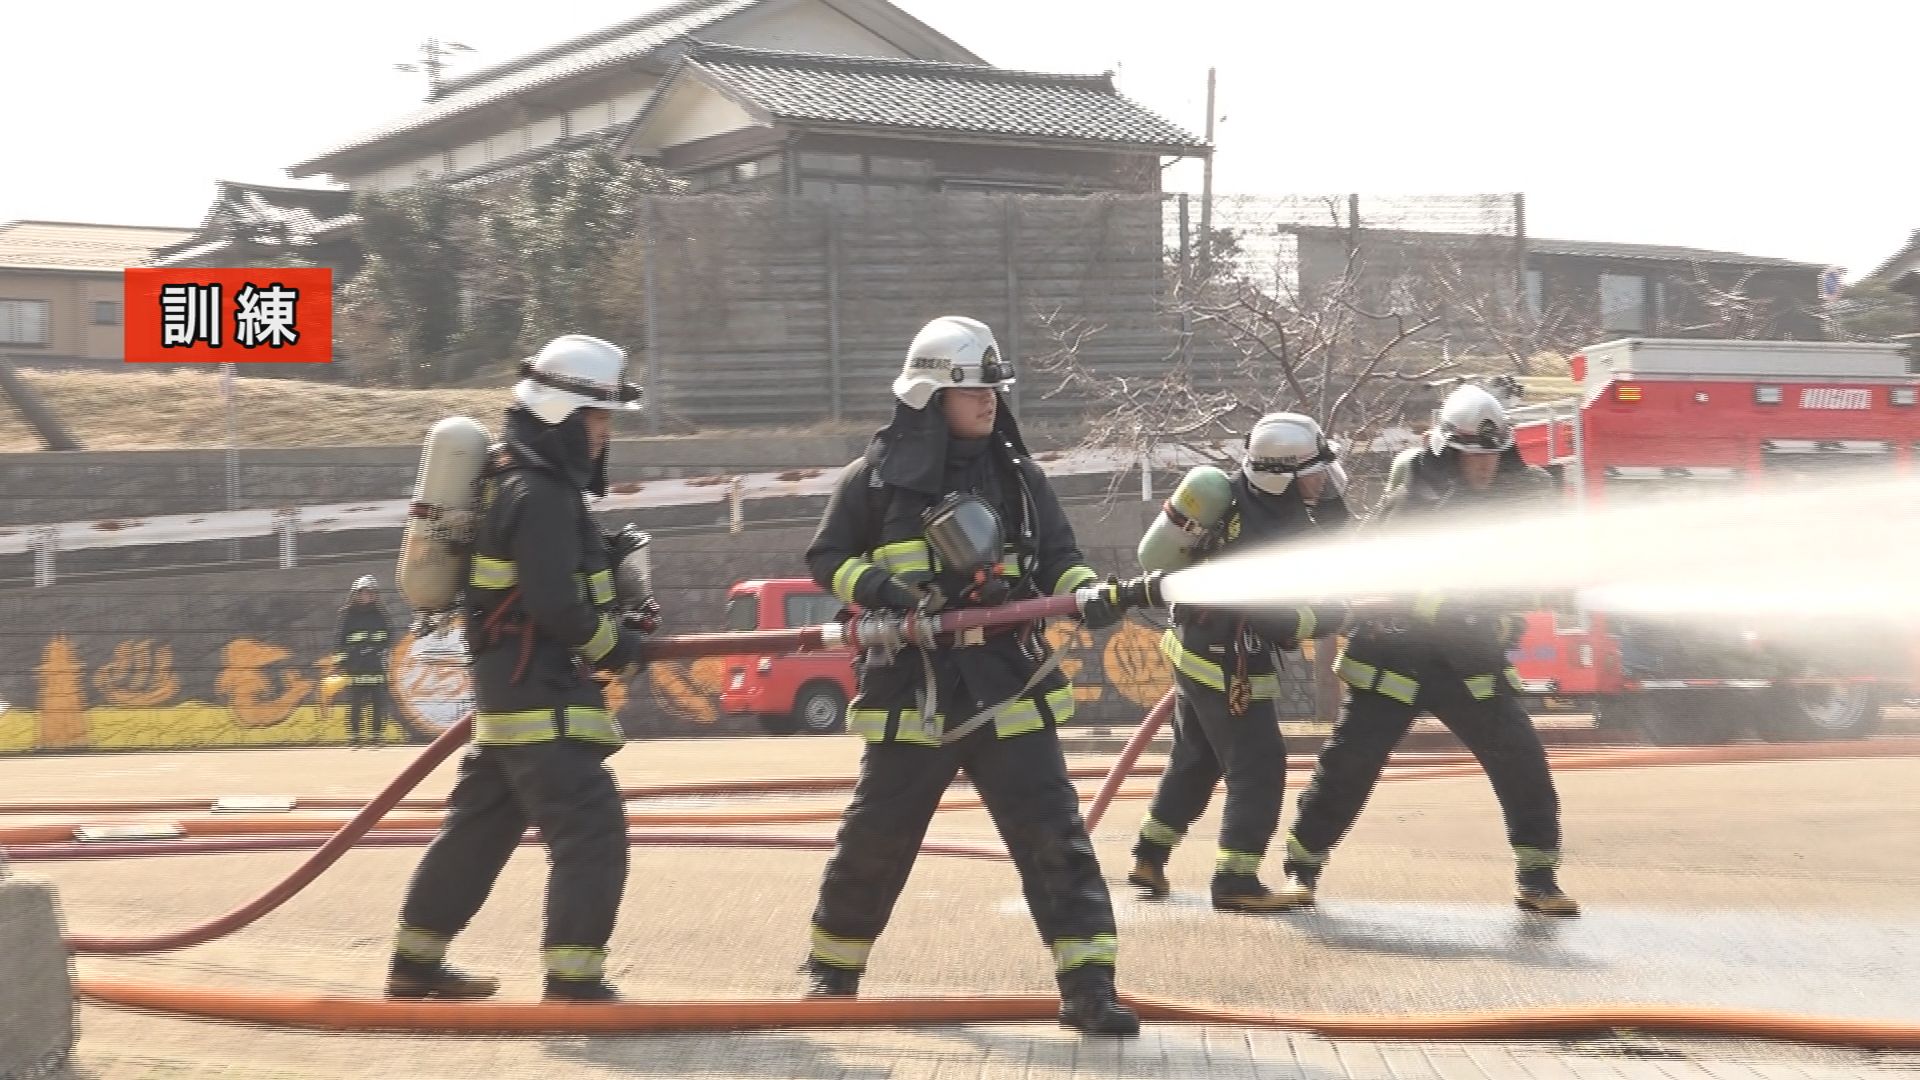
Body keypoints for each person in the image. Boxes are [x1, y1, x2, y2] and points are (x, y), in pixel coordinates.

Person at [799, 315, 1140, 1036]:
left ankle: (1088, 985)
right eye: (974, 391)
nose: (989, 401)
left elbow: (1059, 558)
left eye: (994, 390)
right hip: (912, 696)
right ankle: (831, 976)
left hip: (1007, 689)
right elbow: (827, 559)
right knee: (875, 841)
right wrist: (888, 595)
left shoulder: (1019, 479)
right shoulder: (875, 481)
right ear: (929, 397)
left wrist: (1087, 593)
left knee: (1055, 838)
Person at [384, 334, 657, 1003]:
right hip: (540, 701)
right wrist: (616, 646)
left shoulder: (514, 481)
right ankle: (574, 978)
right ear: (565, 411)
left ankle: (414, 964)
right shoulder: (539, 494)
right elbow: (556, 605)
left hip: (507, 699)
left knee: (477, 832)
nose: (604, 432)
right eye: (598, 417)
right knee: (592, 828)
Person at [1279, 384, 1580, 916]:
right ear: (1446, 451)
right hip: (1395, 654)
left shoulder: (1524, 496)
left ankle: (1539, 878)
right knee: (1351, 764)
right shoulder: (1413, 493)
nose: (1483, 467)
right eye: (1470, 457)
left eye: (1491, 455)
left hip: (1470, 659)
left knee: (1521, 762)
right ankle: (1302, 870)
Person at [1126, 413, 1352, 912]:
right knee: (1260, 766)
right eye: (1312, 471)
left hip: (1197, 646)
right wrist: (1331, 615)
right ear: (1281, 475)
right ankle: (1236, 880)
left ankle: (1149, 855)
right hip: (1229, 660)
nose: (1322, 480)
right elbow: (1277, 619)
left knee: (1196, 760)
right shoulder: (1263, 527)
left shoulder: (1251, 501)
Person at [330, 576, 393, 748]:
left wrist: (381, 651)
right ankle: (355, 737)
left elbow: (388, 636)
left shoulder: (381, 614)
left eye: (371, 593)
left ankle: (377, 736)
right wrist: (338, 663)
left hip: (375, 665)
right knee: (355, 704)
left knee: (378, 703)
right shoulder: (347, 614)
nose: (368, 595)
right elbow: (339, 640)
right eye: (365, 592)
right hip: (355, 665)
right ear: (356, 594)